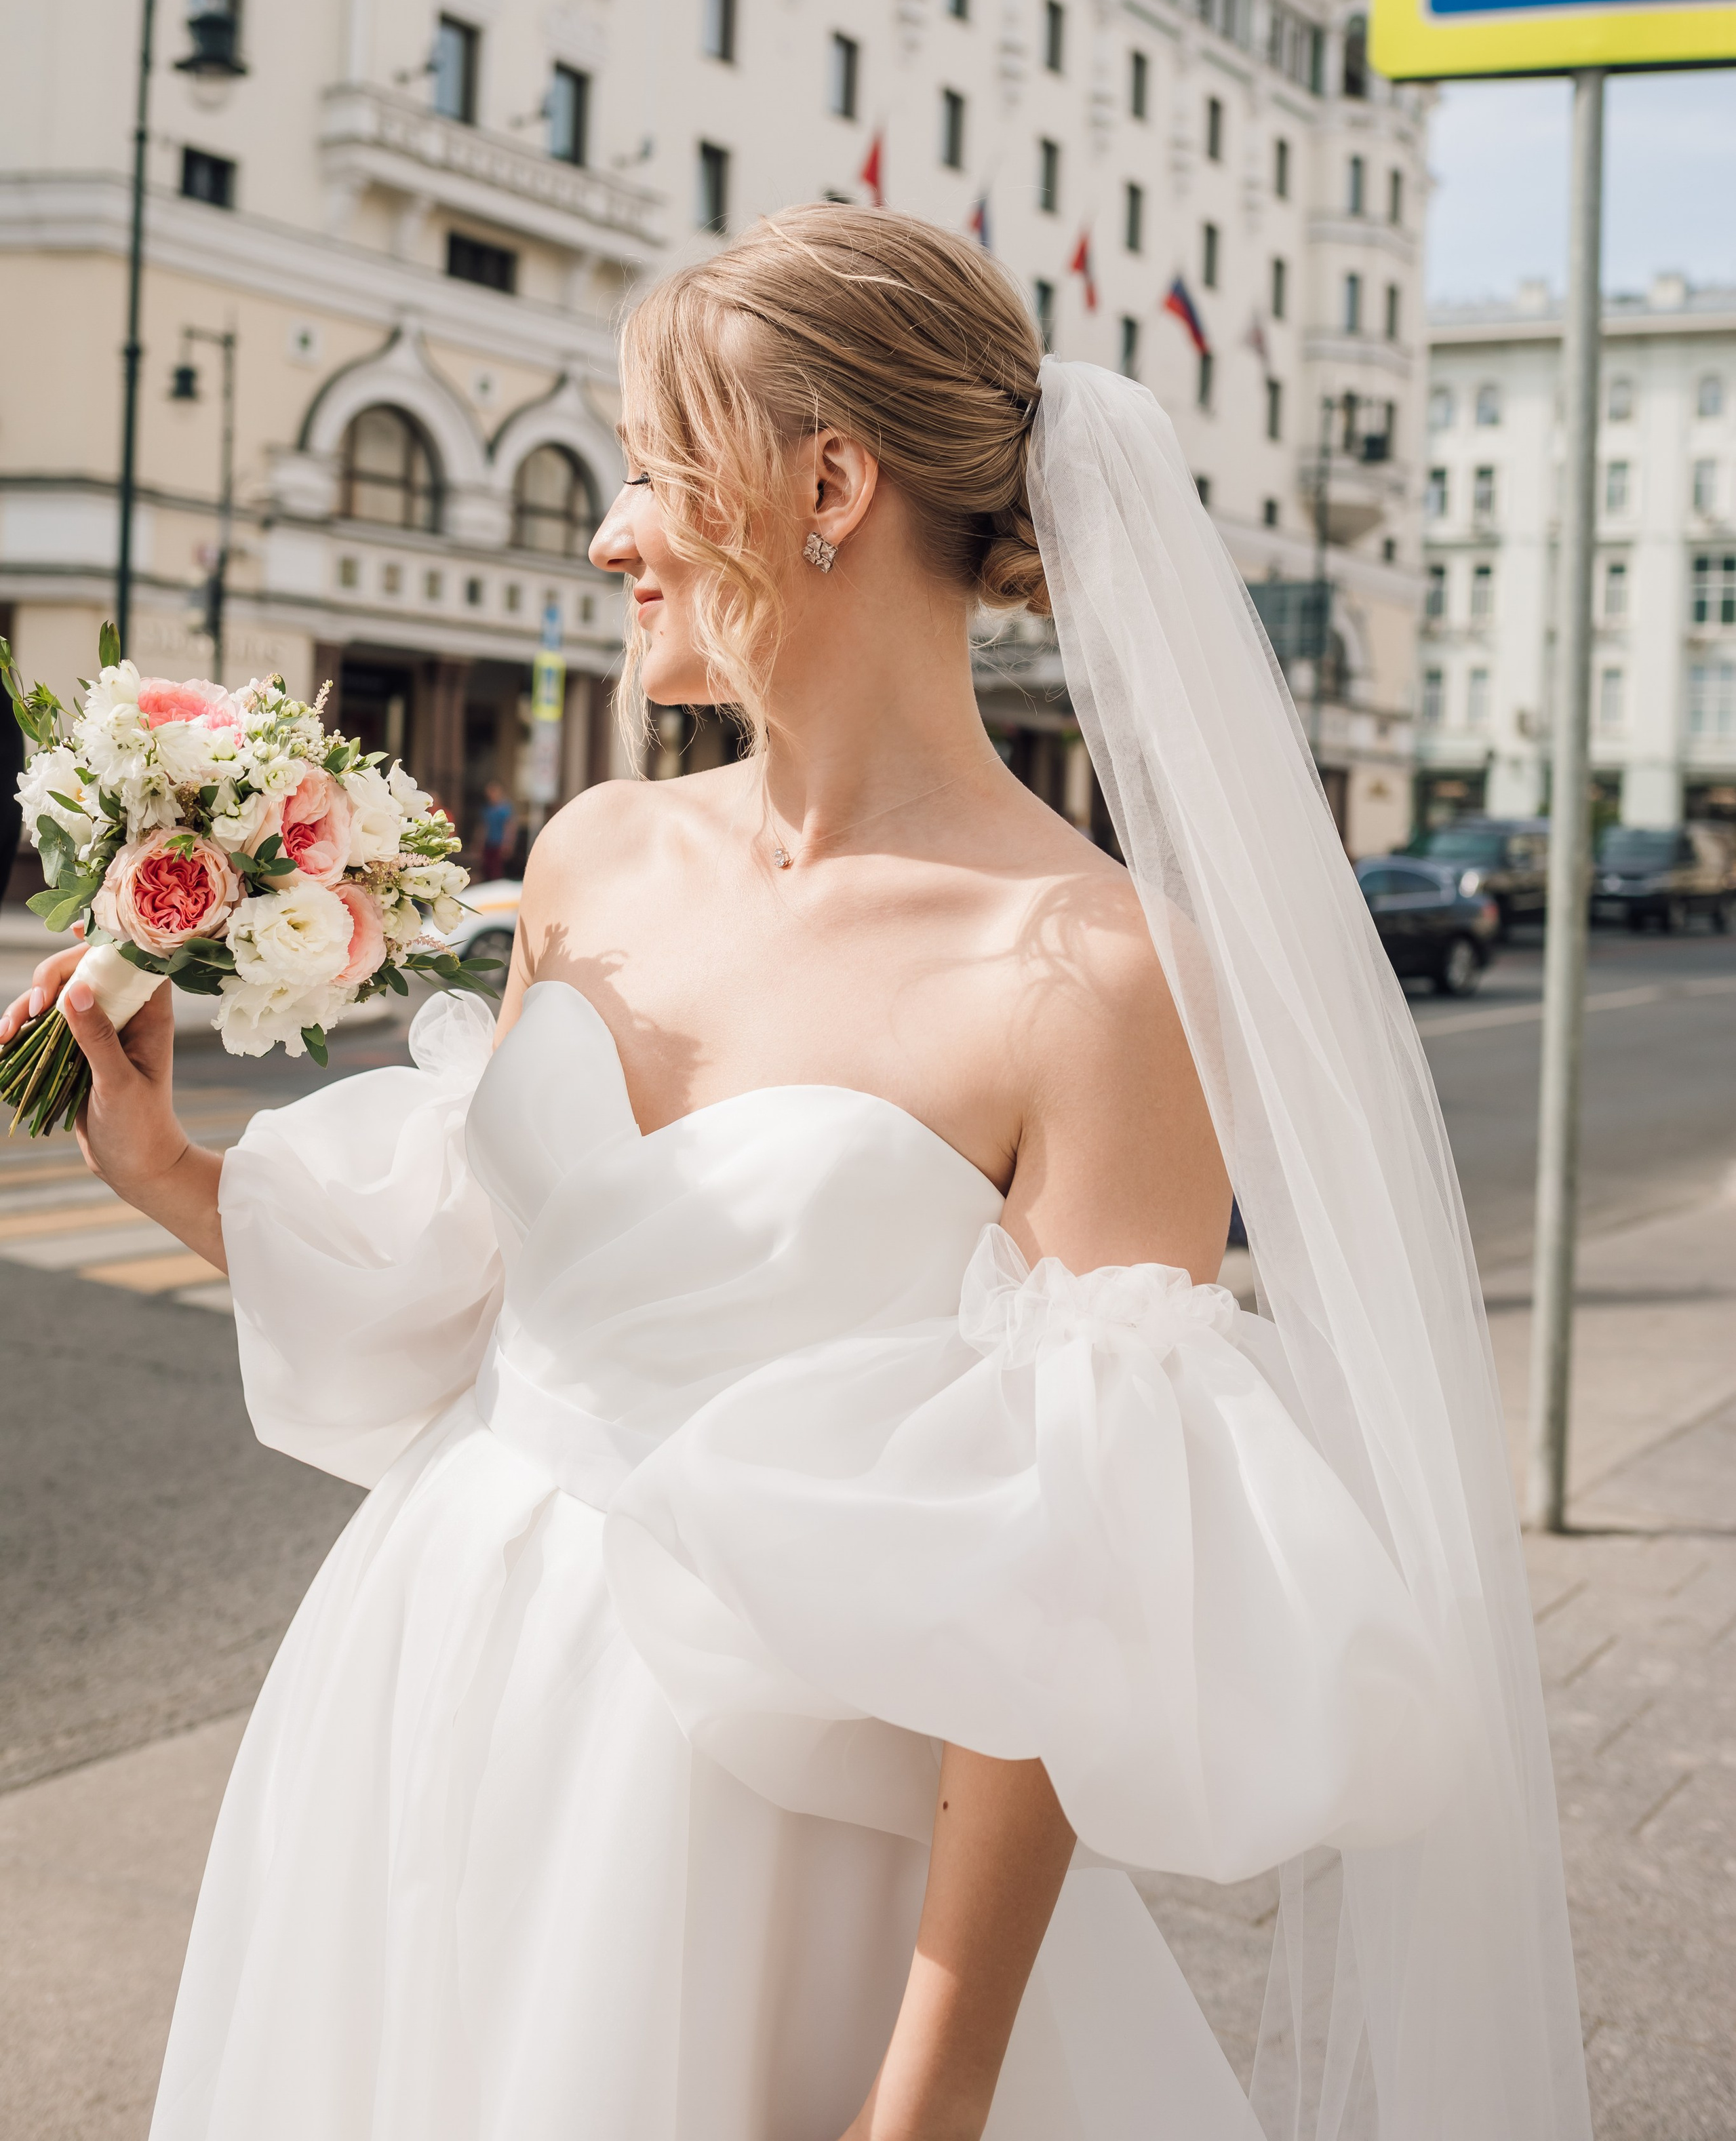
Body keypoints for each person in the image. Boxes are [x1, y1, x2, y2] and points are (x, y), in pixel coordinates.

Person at [3, 208, 1589, 2140]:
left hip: (752, 1830)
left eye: (656, 471)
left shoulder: (1099, 977)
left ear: (827, 482)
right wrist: (169, 1168)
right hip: (414, 1698)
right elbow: (502, 1285)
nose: (610, 535)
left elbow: (1069, 1591)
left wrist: (928, 2097)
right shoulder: (592, 850)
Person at [477, 776, 517, 882]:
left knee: (497, 871)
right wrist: (479, 843)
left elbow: (509, 827)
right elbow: (484, 827)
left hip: (499, 843)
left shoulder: (505, 808)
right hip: (489, 843)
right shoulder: (487, 809)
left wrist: (508, 843)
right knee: (486, 869)